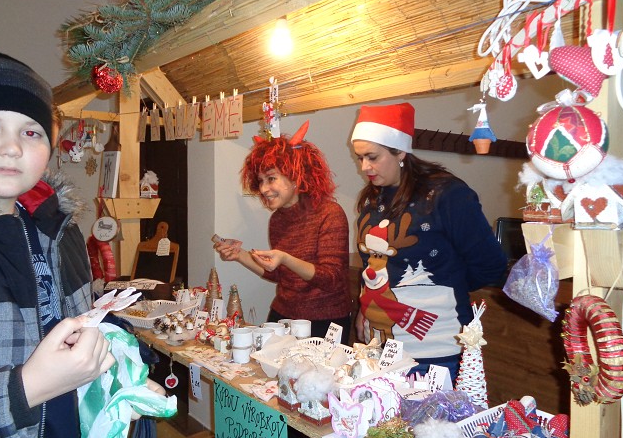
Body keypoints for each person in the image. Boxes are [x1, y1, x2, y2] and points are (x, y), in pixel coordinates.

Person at [0, 53, 142, 438]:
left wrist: (117, 365)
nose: (12, 147)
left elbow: (79, 319)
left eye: (31, 131)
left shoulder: (60, 230)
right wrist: (28, 388)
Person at [350, 102, 507, 382]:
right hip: (383, 349)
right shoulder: (373, 198)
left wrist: (446, 283)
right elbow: (369, 265)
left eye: (372, 157)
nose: (365, 167)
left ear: (400, 151)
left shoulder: (447, 194)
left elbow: (491, 264)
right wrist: (365, 308)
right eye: (360, 157)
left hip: (436, 352)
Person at [214, 120, 352, 342]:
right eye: (260, 181)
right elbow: (279, 274)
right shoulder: (278, 219)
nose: (264, 189)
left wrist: (285, 258)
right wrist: (239, 255)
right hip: (284, 316)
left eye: (271, 178)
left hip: (325, 322)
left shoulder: (329, 214)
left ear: (296, 176)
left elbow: (331, 278)